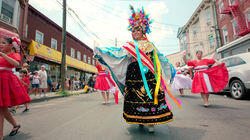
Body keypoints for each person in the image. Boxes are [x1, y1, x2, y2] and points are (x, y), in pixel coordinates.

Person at [94, 6, 180, 133]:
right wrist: (101, 52)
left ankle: (151, 122)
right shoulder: (130, 46)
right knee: (135, 96)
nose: (133, 33)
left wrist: (167, 70)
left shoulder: (150, 45)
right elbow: (117, 54)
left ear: (143, 31)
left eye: (136, 30)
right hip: (134, 74)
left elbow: (159, 59)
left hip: (149, 75)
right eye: (132, 31)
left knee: (150, 96)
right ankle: (139, 118)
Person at [0, 37, 31, 139]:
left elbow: (16, 64)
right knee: (3, 109)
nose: (1, 44)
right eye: (0, 43)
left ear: (10, 45)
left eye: (3, 43)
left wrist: (3, 55)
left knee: (1, 109)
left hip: (6, 81)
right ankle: (15, 125)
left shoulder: (14, 54)